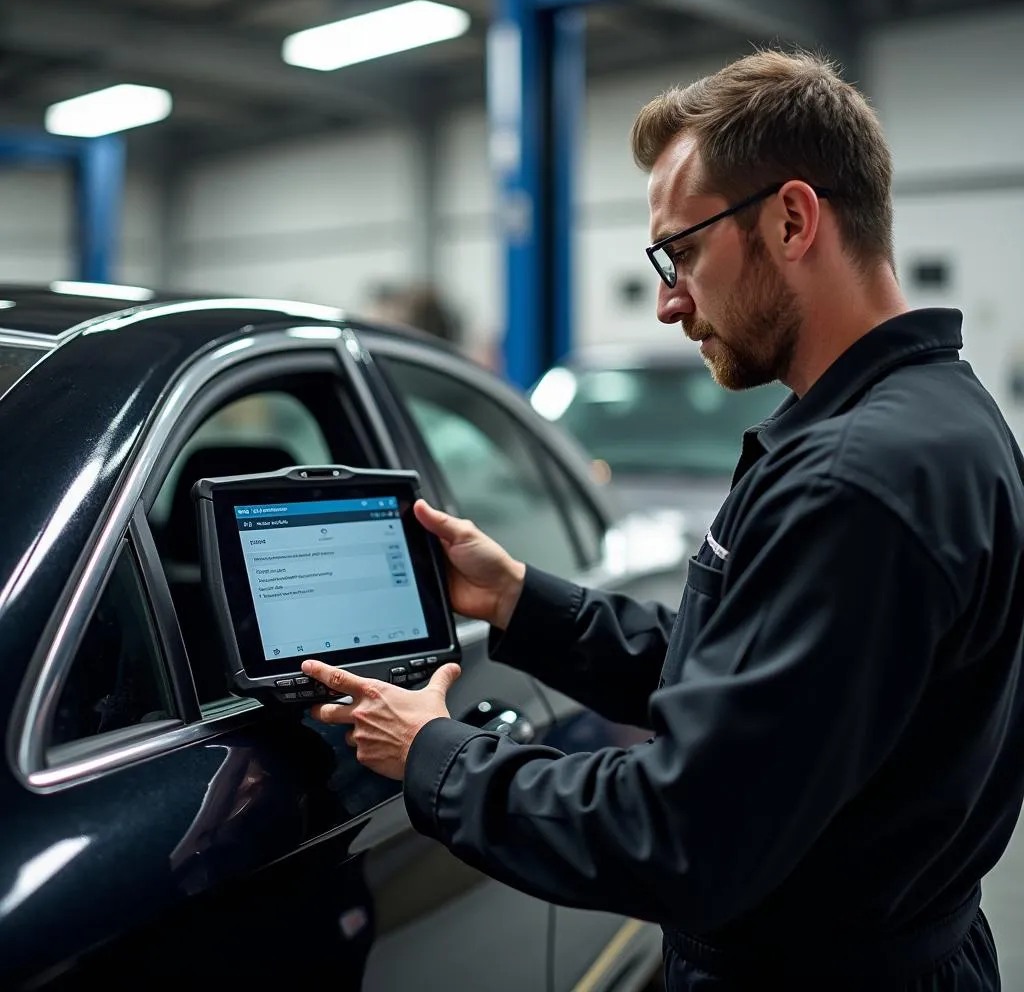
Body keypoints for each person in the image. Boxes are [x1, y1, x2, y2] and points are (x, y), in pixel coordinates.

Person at [301, 49, 1024, 990]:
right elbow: (746, 682)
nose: (669, 300)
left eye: (682, 252)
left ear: (794, 219)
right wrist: (519, 599)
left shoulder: (854, 480)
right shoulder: (933, 415)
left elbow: (684, 834)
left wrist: (433, 753)